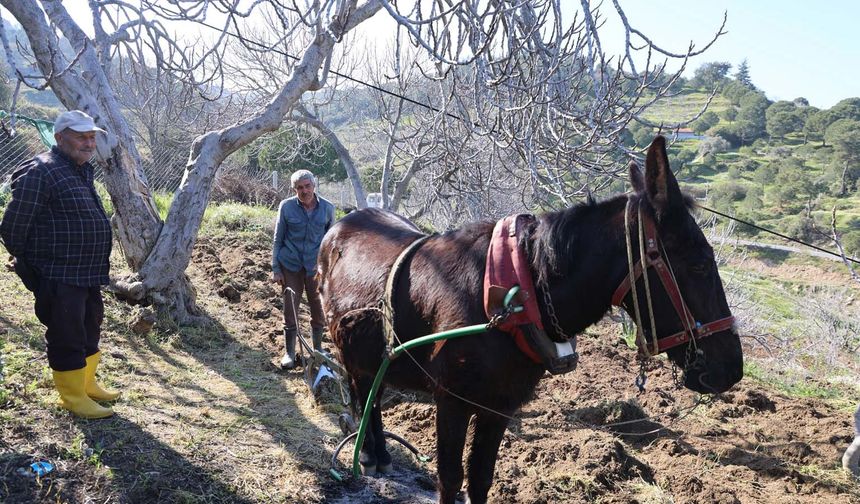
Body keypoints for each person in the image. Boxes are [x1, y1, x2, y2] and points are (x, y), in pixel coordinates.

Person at [0, 110, 119, 419]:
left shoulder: (80, 169)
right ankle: (72, 396)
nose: (89, 143)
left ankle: (87, 383)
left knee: (90, 324)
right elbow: (13, 228)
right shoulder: (41, 170)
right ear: (60, 137)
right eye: (81, 137)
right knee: (67, 333)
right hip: (58, 273)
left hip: (87, 272)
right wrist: (34, 266)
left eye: (92, 137)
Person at [271, 169, 336, 369]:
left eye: (307, 186)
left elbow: (331, 242)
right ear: (294, 189)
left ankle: (317, 349)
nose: (304, 191)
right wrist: (276, 268)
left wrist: (330, 269)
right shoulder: (287, 207)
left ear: (314, 186)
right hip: (290, 265)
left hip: (315, 268)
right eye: (299, 188)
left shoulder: (327, 208)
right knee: (290, 309)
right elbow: (278, 238)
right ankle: (290, 353)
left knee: (319, 309)